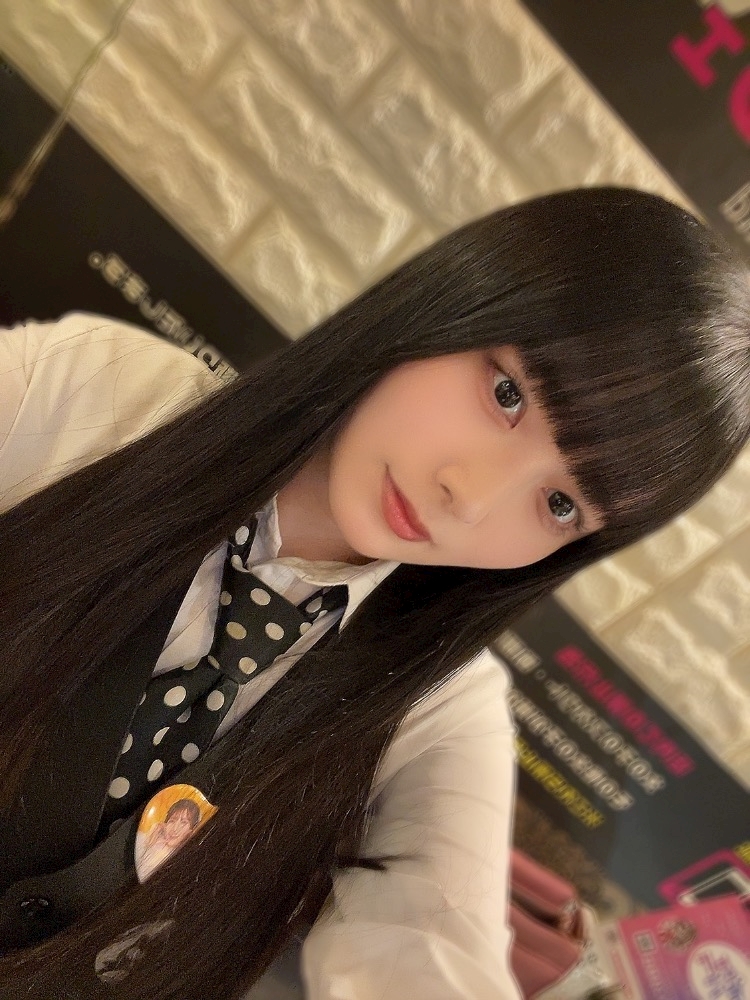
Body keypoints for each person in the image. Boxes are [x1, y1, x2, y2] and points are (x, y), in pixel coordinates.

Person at [0, 187, 747, 1000]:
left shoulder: (434, 712)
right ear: (460, 296)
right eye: (507, 395)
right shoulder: (104, 401)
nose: (471, 496)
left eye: (561, 504)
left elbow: (435, 955)